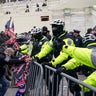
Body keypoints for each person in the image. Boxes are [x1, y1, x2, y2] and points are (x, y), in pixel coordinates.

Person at [35, 19, 81, 96]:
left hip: (69, 65)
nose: (53, 29)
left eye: (54, 28)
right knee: (54, 86)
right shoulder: (54, 38)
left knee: (73, 87)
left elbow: (65, 54)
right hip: (58, 65)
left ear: (60, 27)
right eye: (52, 27)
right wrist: (37, 57)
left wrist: (52, 63)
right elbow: (46, 48)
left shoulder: (68, 38)